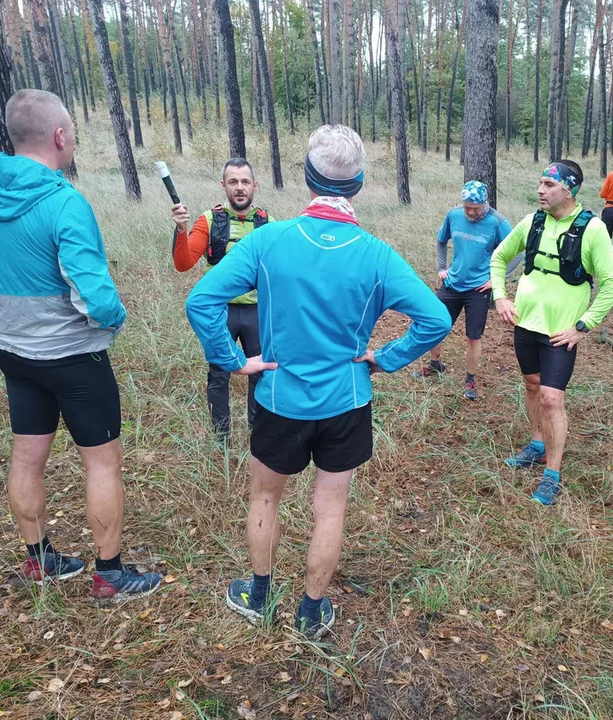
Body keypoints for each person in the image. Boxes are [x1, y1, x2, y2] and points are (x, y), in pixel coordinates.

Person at [186, 125, 451, 640]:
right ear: (358, 184)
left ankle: (258, 594)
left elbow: (202, 300)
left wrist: (234, 361)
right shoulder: (376, 253)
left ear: (307, 179)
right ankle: (311, 610)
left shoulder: (268, 240)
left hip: (279, 397)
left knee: (264, 498)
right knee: (330, 507)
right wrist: (384, 360)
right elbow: (435, 321)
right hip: (347, 400)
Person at [0, 89, 161, 604]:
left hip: (13, 352)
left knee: (26, 455)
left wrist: (8, 304)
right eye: (73, 132)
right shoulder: (65, 202)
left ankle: (40, 560)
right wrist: (111, 320)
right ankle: (109, 574)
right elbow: (96, 298)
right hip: (74, 358)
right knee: (102, 462)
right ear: (60, 136)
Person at [490, 161, 613, 506]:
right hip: (525, 325)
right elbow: (499, 256)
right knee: (532, 386)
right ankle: (536, 444)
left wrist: (584, 326)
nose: (540, 190)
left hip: (560, 334)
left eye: (548, 184)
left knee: (552, 398)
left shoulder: (591, 229)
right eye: (540, 183)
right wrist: (501, 297)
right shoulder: (533, 221)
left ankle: (552, 473)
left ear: (570, 188)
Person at [171, 159, 273, 440]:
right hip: (220, 313)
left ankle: (258, 433)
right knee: (218, 373)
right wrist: (181, 230)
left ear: (255, 185)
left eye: (244, 182)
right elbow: (184, 262)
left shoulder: (268, 224)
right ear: (223, 186)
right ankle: (221, 438)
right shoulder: (210, 220)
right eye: (233, 182)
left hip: (257, 312)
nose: (239, 188)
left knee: (261, 372)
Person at [413, 180, 514, 400]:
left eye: (474, 208)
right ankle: (435, 364)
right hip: (452, 284)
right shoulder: (454, 215)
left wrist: (496, 280)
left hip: (478, 289)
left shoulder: (497, 222)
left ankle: (470, 380)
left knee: (473, 337)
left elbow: (518, 253)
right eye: (466, 206)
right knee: (435, 324)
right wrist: (441, 267)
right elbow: (441, 241)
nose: (468, 211)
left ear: (484, 204)